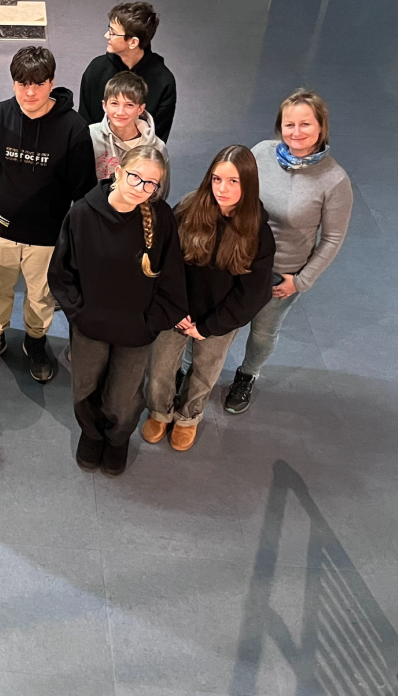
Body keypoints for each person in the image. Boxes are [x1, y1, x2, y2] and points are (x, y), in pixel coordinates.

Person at [48, 144, 186, 476]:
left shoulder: (161, 219)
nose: (141, 188)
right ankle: (92, 434)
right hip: (90, 326)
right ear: (118, 172)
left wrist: (150, 323)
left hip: (136, 331)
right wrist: (80, 314)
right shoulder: (82, 214)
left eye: (151, 184)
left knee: (124, 398)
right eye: (136, 177)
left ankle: (117, 438)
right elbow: (62, 273)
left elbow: (172, 277)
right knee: (85, 387)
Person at [224, 89, 352, 414]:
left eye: (305, 124)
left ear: (321, 127)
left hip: (281, 274)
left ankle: (247, 375)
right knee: (219, 322)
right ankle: (189, 371)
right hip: (239, 260)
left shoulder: (334, 180)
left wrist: (301, 281)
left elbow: (333, 238)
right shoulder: (260, 153)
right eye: (289, 124)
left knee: (263, 332)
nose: (296, 132)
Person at [141, 145, 276, 450]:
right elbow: (166, 261)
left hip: (218, 320)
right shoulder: (189, 209)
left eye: (233, 181)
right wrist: (173, 308)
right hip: (175, 310)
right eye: (217, 179)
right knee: (160, 366)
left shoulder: (258, 233)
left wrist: (207, 327)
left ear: (248, 183)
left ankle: (188, 417)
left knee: (205, 372)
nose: (222, 189)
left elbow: (252, 295)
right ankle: (159, 412)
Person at [0, 45, 95, 382]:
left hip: (47, 234)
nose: (29, 92)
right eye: (22, 84)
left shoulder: (73, 128)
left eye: (38, 84)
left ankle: (35, 340)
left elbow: (83, 188)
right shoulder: (0, 114)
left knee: (41, 296)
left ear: (51, 83)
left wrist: (74, 237)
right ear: (13, 83)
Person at [78, 1, 177, 142]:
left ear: (133, 42)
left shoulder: (163, 81)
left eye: (113, 33)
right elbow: (84, 121)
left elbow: (158, 136)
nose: (106, 35)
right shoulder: (96, 69)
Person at [88, 70, 170, 199]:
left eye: (129, 105)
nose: (120, 112)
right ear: (104, 105)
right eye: (114, 103)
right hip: (94, 208)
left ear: (140, 109)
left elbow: (159, 195)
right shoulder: (89, 136)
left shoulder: (157, 148)